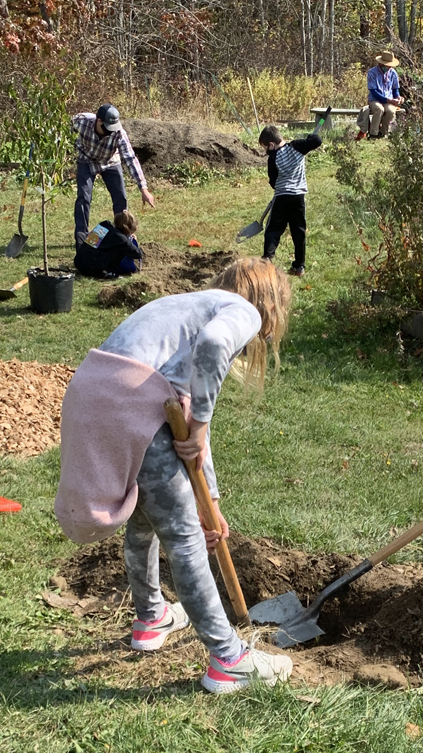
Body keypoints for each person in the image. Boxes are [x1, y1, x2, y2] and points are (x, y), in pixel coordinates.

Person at [54, 257, 295, 694]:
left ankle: (151, 618)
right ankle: (228, 661)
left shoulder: (186, 310)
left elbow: (187, 439)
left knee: (146, 516)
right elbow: (214, 352)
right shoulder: (240, 311)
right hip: (131, 402)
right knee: (183, 538)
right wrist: (200, 424)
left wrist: (212, 504)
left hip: (93, 394)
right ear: (269, 306)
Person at [72, 103, 155, 245]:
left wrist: (143, 188)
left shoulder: (119, 133)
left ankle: (122, 237)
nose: (111, 131)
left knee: (120, 198)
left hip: (110, 161)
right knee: (83, 198)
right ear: (98, 121)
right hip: (86, 159)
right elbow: (59, 132)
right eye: (108, 128)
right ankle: (82, 238)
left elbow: (130, 158)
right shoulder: (81, 121)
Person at [258, 123, 322, 277]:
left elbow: (273, 181)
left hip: (281, 197)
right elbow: (317, 140)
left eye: (266, 148)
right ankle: (299, 266)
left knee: (273, 229)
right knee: (298, 231)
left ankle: (267, 259)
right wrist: (310, 138)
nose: (266, 151)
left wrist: (279, 185)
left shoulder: (273, 158)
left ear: (272, 144)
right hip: (298, 197)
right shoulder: (298, 146)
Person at [74, 210, 143, 278]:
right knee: (122, 249)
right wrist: (131, 242)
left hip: (79, 262)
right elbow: (138, 253)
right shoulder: (121, 239)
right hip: (91, 269)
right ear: (127, 229)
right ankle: (107, 272)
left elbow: (90, 243)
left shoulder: (104, 225)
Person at [366, 51, 403, 138]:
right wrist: (388, 100)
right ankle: (373, 134)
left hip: (389, 100)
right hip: (375, 99)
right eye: (387, 65)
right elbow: (374, 92)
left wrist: (398, 97)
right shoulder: (372, 73)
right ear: (381, 64)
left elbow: (395, 89)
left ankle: (383, 133)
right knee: (379, 109)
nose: (389, 67)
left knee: (391, 111)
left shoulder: (393, 73)